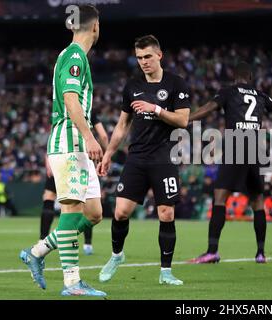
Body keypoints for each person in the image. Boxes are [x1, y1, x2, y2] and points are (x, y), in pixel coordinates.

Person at [19, 5, 106, 296]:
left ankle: (38, 251)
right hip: (70, 141)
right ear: (95, 27)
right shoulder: (74, 55)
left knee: (93, 213)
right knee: (71, 210)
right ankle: (72, 283)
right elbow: (70, 99)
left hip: (78, 144)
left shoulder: (73, 56)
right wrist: (89, 136)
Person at [187, 61, 272, 264]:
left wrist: (187, 118)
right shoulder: (259, 95)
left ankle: (212, 251)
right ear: (250, 77)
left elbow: (210, 107)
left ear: (235, 77)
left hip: (236, 145)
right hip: (256, 148)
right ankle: (260, 253)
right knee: (258, 202)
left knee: (220, 198)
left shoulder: (229, 91)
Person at [97, 35, 190, 286]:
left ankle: (166, 271)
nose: (143, 62)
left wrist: (156, 109)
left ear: (160, 55)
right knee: (121, 212)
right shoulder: (132, 85)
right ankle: (117, 255)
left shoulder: (176, 84)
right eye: (139, 58)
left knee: (166, 214)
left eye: (148, 56)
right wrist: (108, 153)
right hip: (137, 157)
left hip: (164, 158)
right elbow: (122, 124)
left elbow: (183, 120)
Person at [39, 109, 109, 255]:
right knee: (85, 205)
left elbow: (54, 133)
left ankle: (42, 241)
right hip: (81, 157)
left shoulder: (60, 107)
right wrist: (106, 155)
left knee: (50, 198)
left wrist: (48, 158)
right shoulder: (88, 108)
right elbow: (102, 135)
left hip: (58, 155)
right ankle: (87, 245)